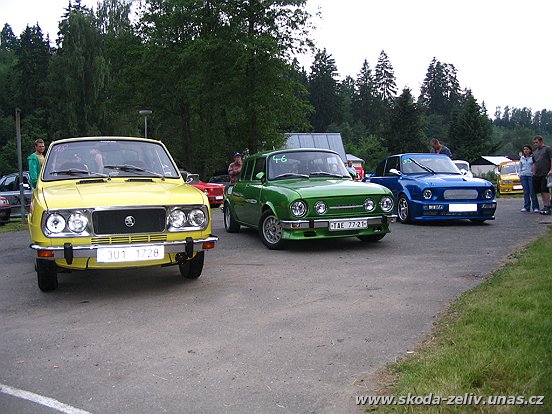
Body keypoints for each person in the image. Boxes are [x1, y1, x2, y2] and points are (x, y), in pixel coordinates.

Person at [532, 135, 552, 215]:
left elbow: (551, 159)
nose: (535, 144)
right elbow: (535, 163)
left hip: (546, 173)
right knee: (540, 190)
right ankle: (545, 205)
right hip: (538, 174)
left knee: (545, 189)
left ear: (541, 141)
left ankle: (548, 206)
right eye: (534, 143)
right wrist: (534, 172)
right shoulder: (535, 152)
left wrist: (551, 170)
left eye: (536, 142)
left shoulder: (547, 149)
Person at [518, 144, 539, 213]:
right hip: (523, 175)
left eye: (527, 149)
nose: (525, 151)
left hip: (530, 176)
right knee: (526, 192)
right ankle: (526, 207)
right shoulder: (522, 158)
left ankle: (535, 207)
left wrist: (534, 173)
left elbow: (535, 165)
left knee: (532, 192)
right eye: (524, 149)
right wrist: (520, 174)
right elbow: (519, 167)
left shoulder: (532, 157)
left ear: (530, 150)